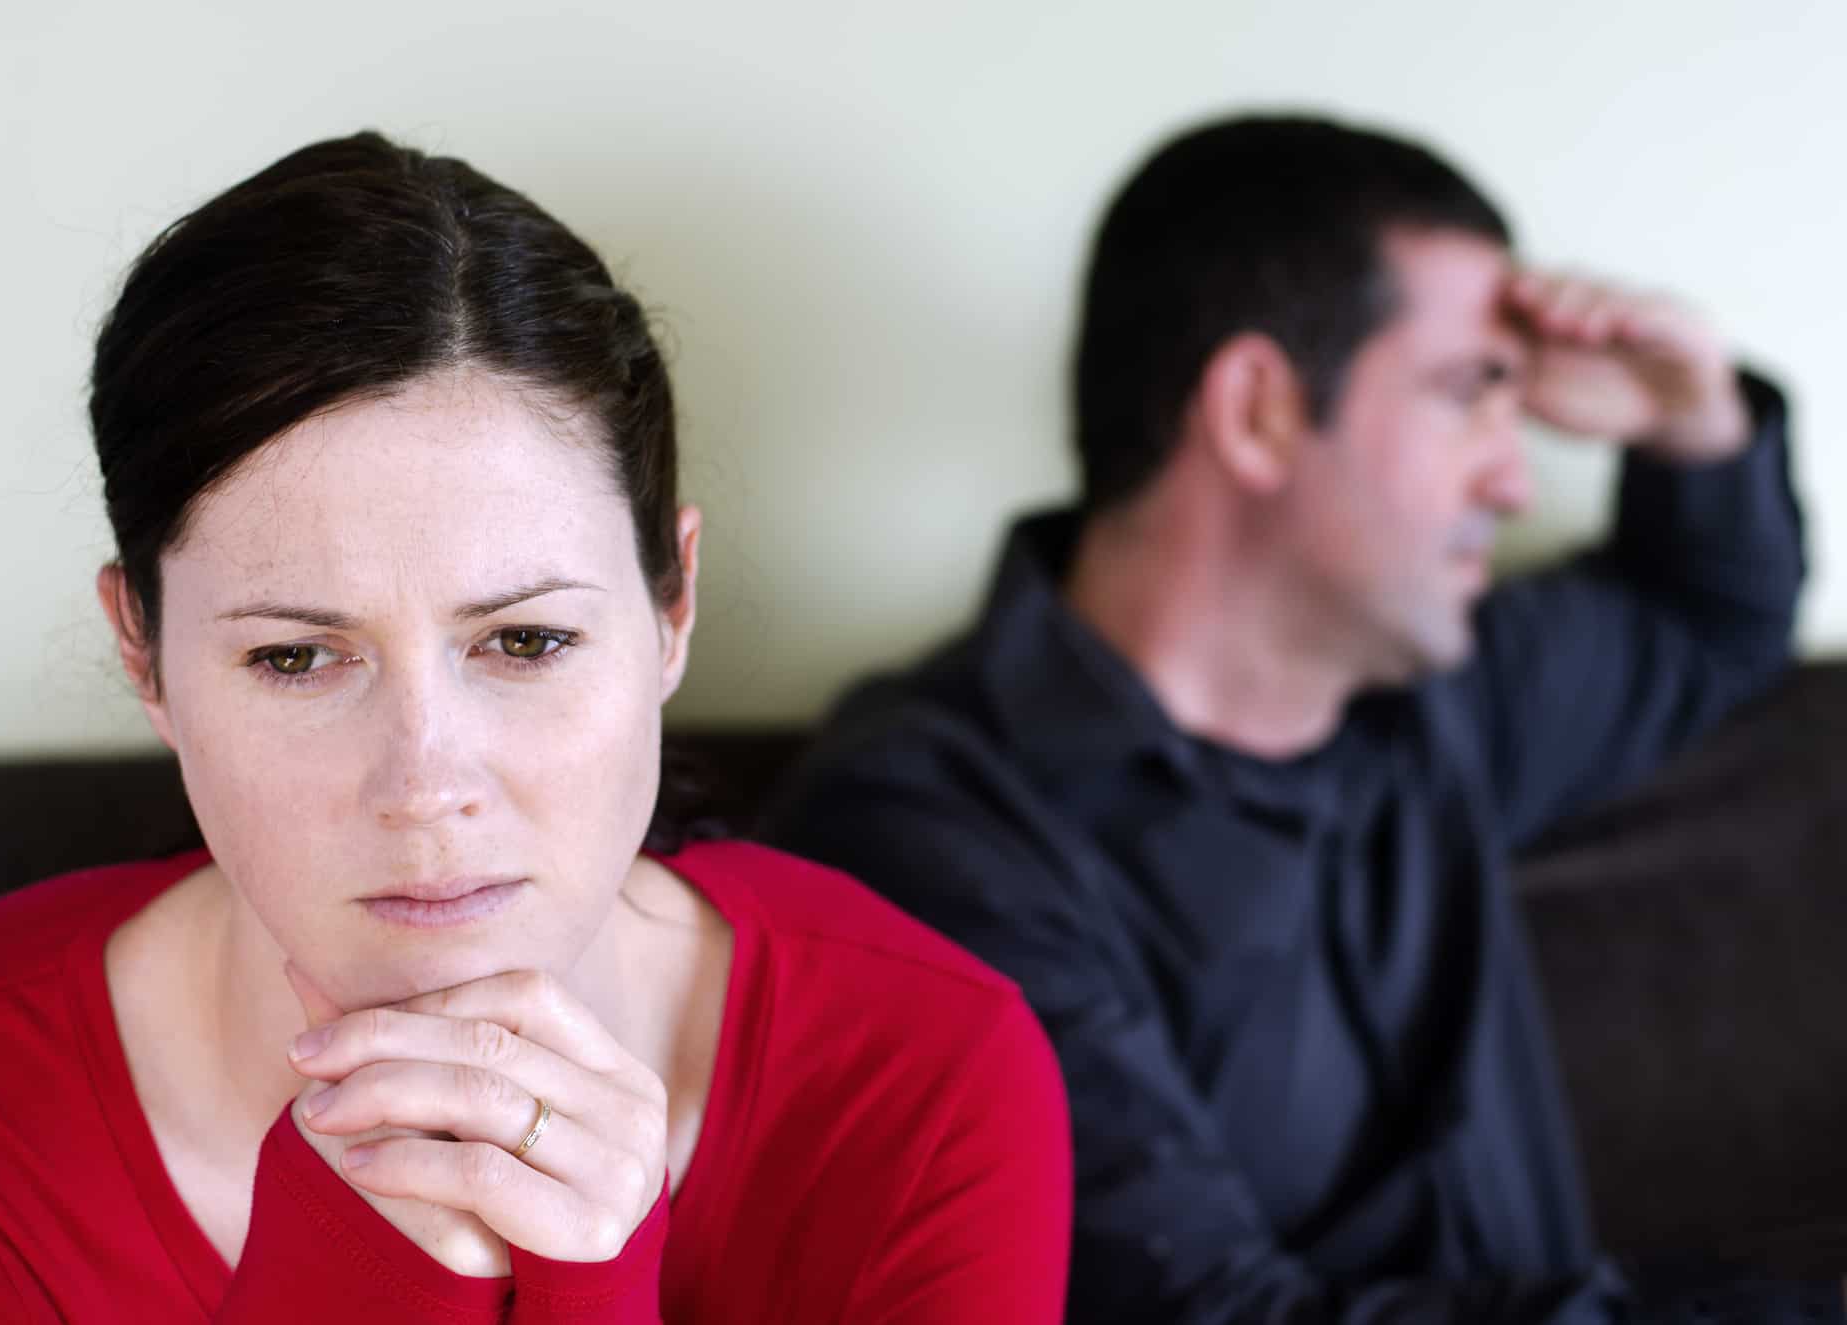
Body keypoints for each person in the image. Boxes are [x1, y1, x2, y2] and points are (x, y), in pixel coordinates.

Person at [0, 132, 1071, 1323]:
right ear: (143, 653)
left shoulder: (924, 1080)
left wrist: (586, 1285)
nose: (424, 784)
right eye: (295, 656)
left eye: (525, 641)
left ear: (671, 604)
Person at [761, 113, 1836, 1322]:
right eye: (1467, 393)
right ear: (1259, 408)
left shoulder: (1442, 695)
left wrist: (1685, 413)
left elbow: (1709, 617)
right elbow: (1210, 1314)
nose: (1516, 477)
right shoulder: (929, 832)